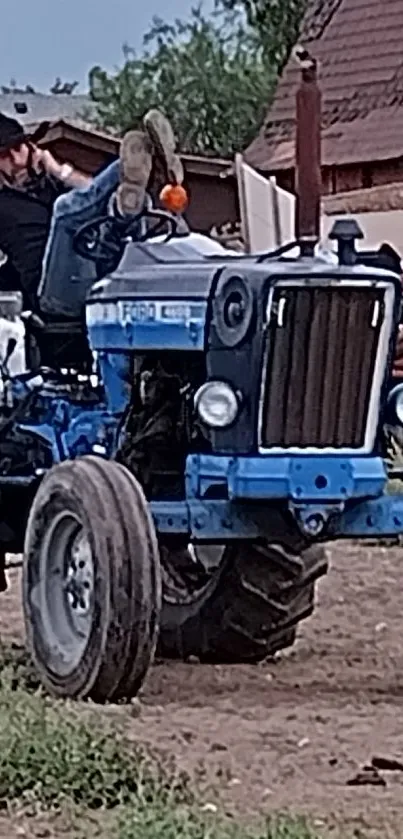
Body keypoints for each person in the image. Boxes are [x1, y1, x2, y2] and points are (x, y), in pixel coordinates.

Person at [0, 110, 184, 314]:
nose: (16, 160)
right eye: (4, 156)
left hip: (97, 271)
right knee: (64, 210)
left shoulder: (50, 183)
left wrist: (59, 171)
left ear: (31, 147)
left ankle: (126, 206)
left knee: (109, 211)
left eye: (18, 148)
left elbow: (90, 193)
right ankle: (140, 163)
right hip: (55, 297)